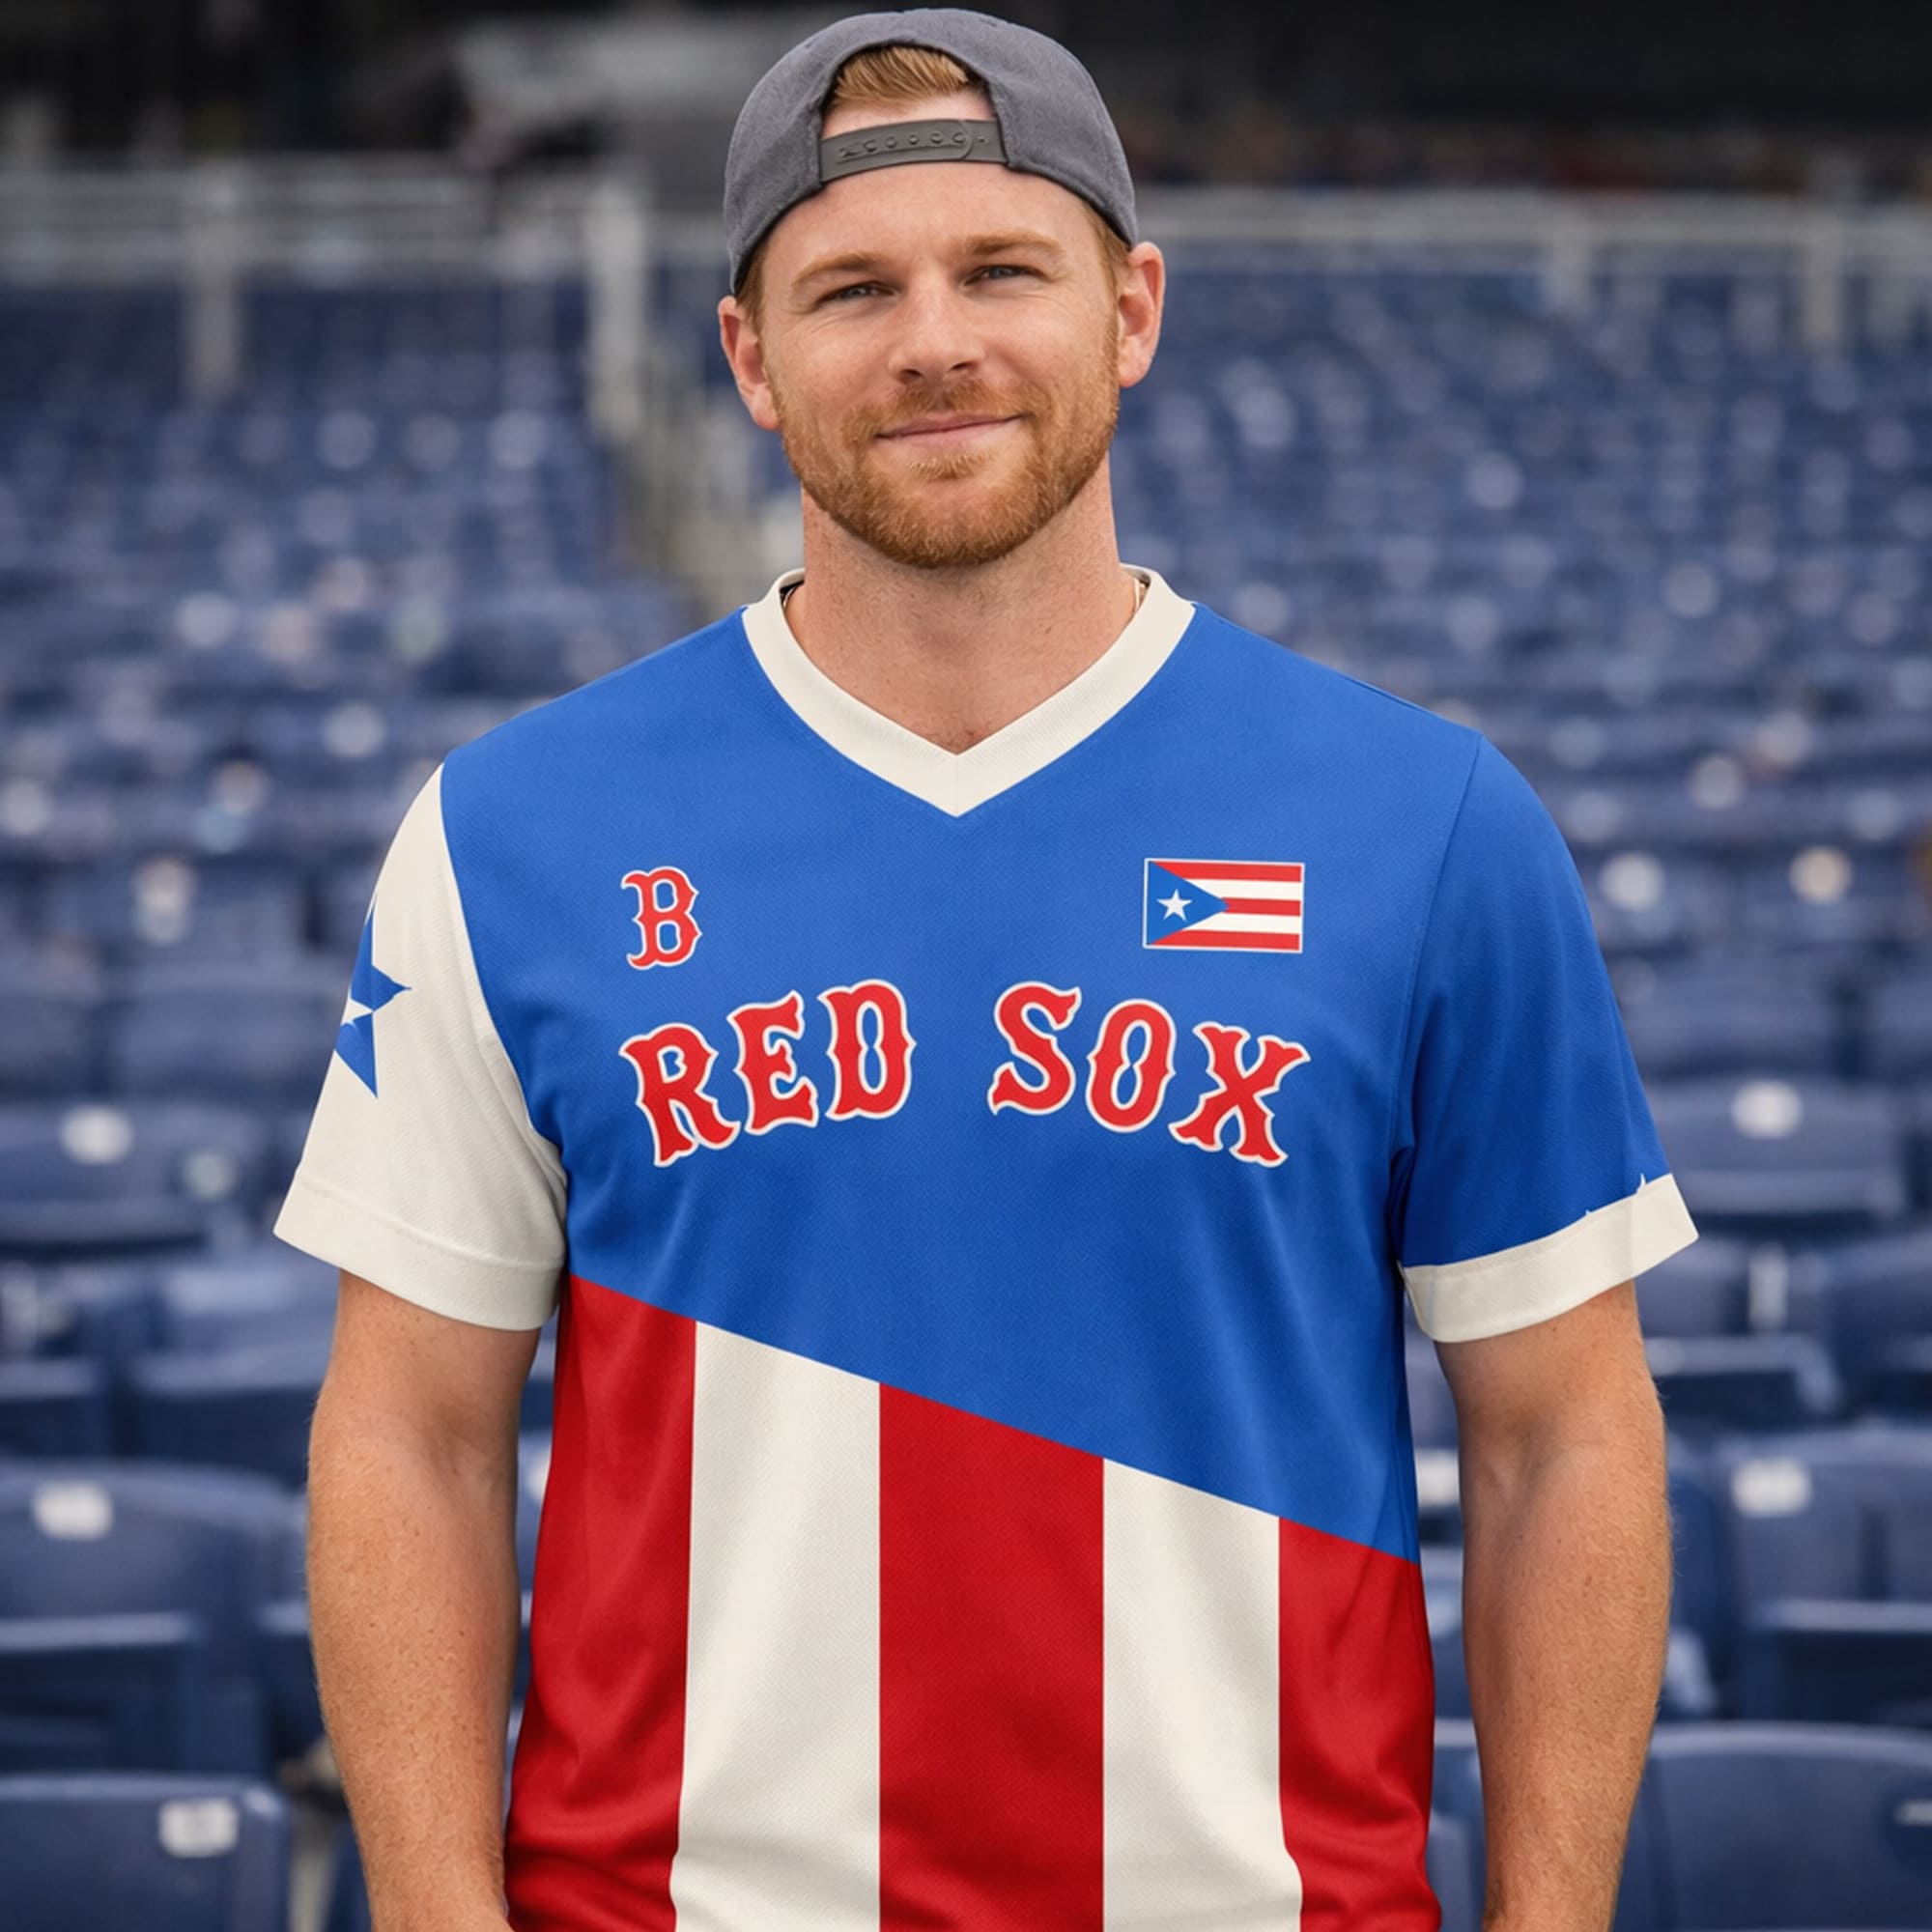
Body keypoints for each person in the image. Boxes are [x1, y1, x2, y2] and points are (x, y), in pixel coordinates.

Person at [280, 10, 1700, 1929]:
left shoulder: (1428, 826)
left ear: (1132, 311)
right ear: (749, 361)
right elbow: (409, 1436)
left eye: (1002, 270)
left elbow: (1562, 1440)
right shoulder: (507, 834)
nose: (933, 341)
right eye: (852, 288)